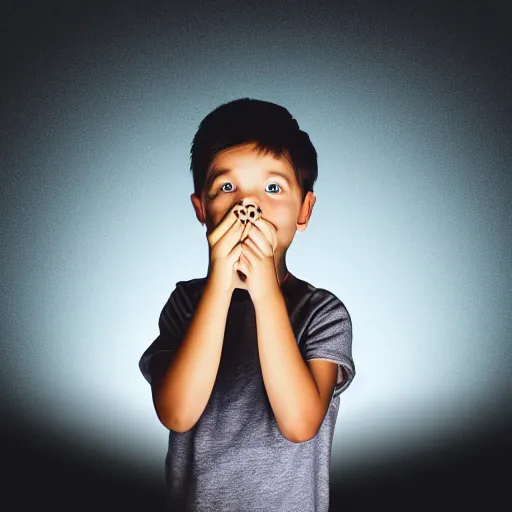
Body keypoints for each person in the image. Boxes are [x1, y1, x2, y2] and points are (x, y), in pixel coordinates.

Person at [139, 98, 356, 511]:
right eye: (226, 187)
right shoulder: (186, 303)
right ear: (202, 210)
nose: (248, 207)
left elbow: (299, 423)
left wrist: (264, 291)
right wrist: (221, 283)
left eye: (273, 188)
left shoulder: (324, 314)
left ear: (304, 210)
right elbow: (177, 413)